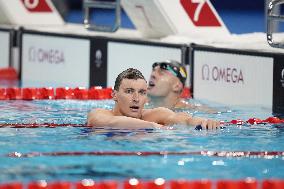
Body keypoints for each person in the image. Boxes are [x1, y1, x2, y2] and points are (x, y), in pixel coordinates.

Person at [87, 68, 220, 130]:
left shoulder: (156, 114)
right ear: (114, 95)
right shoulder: (98, 113)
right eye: (129, 91)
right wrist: (154, 127)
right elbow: (111, 123)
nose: (136, 98)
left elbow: (184, 119)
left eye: (142, 92)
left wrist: (204, 122)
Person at [148, 60, 217, 112]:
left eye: (161, 73)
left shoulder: (196, 111)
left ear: (176, 86)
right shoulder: (140, 105)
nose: (153, 75)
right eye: (153, 71)